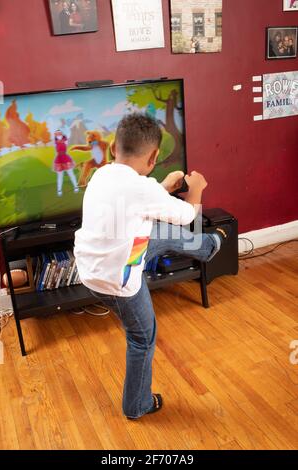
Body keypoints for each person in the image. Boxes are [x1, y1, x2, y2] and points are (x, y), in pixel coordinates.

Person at [74, 114, 229, 419]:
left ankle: (209, 248)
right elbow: (190, 218)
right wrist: (196, 186)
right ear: (155, 156)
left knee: (161, 234)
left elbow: (137, 199)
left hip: (90, 267)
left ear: (113, 149)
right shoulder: (144, 191)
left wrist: (162, 187)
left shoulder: (102, 175)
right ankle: (137, 405)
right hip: (117, 281)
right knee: (142, 338)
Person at [53, 130, 79, 196]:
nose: (58, 134)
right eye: (57, 133)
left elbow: (66, 145)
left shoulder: (65, 139)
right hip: (59, 159)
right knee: (60, 176)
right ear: (55, 134)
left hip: (65, 158)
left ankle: (76, 186)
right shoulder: (55, 141)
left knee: (71, 174)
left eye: (59, 133)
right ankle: (59, 190)